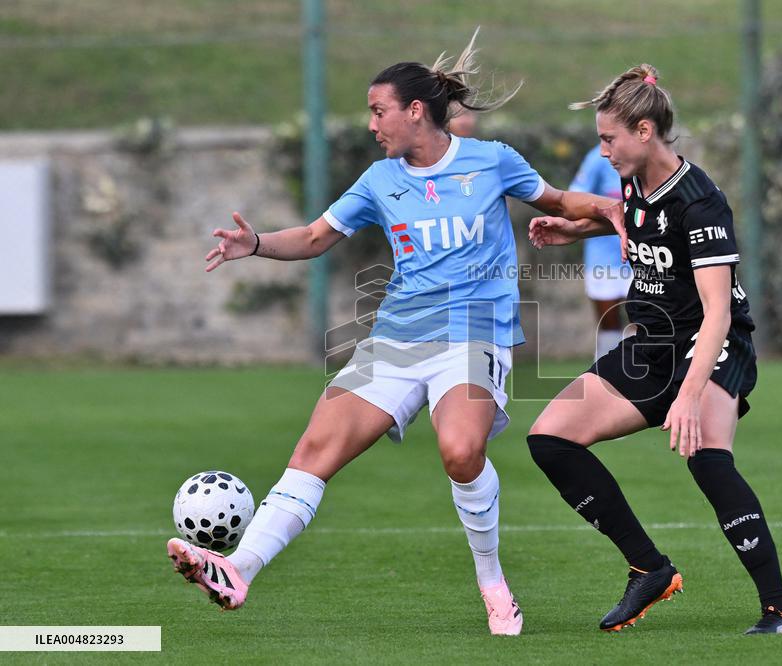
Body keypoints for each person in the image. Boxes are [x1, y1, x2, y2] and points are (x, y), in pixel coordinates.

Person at [166, 30, 619, 637]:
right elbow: (314, 237)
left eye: (378, 111)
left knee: (461, 452)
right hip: (398, 338)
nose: (372, 124)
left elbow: (559, 201)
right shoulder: (380, 180)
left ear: (415, 111)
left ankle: (493, 583)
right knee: (313, 453)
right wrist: (255, 244)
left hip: (474, 336)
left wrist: (613, 207)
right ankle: (236, 570)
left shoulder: (492, 160)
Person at [526, 64, 782, 635]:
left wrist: (689, 394)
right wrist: (576, 231)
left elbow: (718, 310)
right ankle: (649, 569)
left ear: (645, 130)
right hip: (651, 344)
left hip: (713, 343)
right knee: (550, 440)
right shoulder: (636, 180)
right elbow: (640, 222)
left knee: (707, 459)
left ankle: (780, 611)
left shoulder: (701, 202)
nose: (604, 151)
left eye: (610, 139)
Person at [569, 145, 633, 360]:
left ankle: (641, 373)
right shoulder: (597, 158)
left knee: (644, 322)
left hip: (641, 259)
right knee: (609, 327)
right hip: (603, 260)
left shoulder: (642, 157)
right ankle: (606, 374)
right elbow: (573, 199)